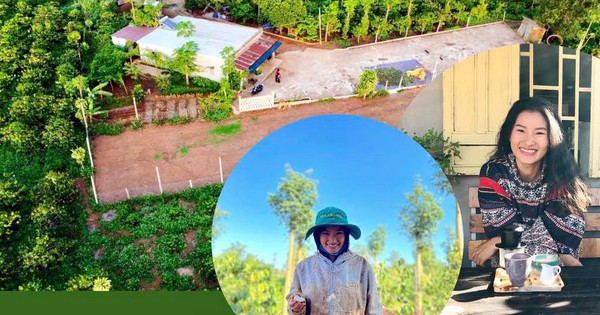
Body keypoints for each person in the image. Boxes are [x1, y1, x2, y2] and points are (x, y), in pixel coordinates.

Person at [472, 97, 589, 267]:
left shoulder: (563, 173)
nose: (529, 141)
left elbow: (565, 237)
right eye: (521, 130)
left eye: (539, 133)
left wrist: (499, 240)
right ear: (509, 133)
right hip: (510, 271)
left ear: (552, 138)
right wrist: (503, 238)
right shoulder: (494, 173)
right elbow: (503, 237)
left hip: (558, 273)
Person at [286, 207, 383, 315]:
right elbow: (292, 306)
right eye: (326, 233)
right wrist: (296, 308)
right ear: (317, 236)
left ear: (346, 235)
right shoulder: (303, 268)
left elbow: (374, 309)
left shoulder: (362, 267)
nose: (332, 240)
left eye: (339, 233)